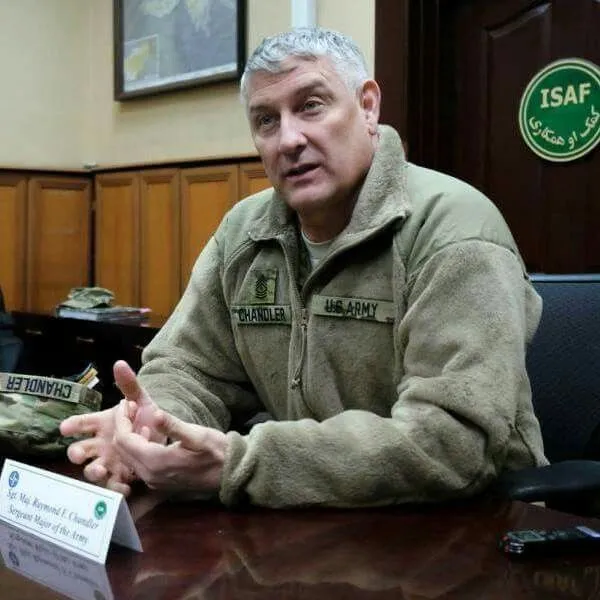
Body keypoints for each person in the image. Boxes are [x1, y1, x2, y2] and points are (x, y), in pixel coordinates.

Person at [60, 27, 547, 508]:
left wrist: (244, 463)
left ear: (368, 106)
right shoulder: (244, 233)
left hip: (467, 524)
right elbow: (189, 367)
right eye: (266, 121)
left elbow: (450, 441)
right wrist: (155, 426)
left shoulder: (456, 230)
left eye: (311, 106)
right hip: (307, 516)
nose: (288, 139)